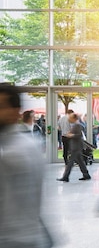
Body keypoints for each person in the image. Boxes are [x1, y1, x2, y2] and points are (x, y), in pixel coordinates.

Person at [0, 84, 53, 247]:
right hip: (30, 236)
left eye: (1, 107)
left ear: (16, 111)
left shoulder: (11, 153)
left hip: (14, 240)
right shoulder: (30, 145)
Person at [57, 113, 91, 182]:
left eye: (70, 118)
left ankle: (65, 177)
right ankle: (86, 175)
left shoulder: (77, 125)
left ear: (74, 119)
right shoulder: (75, 125)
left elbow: (79, 135)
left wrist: (71, 135)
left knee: (70, 163)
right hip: (76, 146)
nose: (69, 119)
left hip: (76, 147)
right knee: (80, 162)